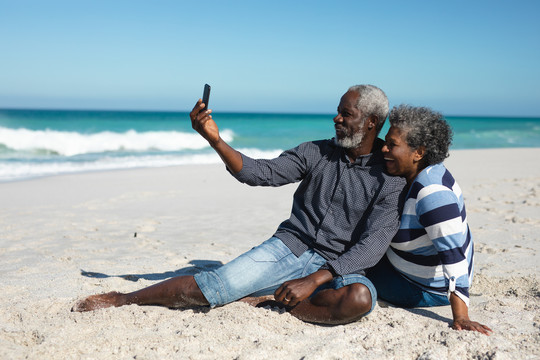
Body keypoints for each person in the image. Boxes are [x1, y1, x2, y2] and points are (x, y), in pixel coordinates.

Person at [72, 85, 406, 325]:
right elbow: (261, 173)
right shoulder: (316, 151)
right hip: (289, 247)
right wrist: (215, 140)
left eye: (346, 114)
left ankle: (273, 298)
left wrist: (317, 278)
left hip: (339, 266)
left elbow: (371, 246)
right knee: (218, 285)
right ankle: (123, 298)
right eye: (338, 111)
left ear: (372, 122)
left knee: (360, 300)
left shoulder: (390, 177)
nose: (336, 118)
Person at [366, 104, 493, 335]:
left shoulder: (432, 194)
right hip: (412, 265)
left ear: (419, 153)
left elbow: (453, 254)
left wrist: (461, 316)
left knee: (345, 268)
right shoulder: (424, 172)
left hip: (421, 287)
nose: (383, 149)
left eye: (392, 145)